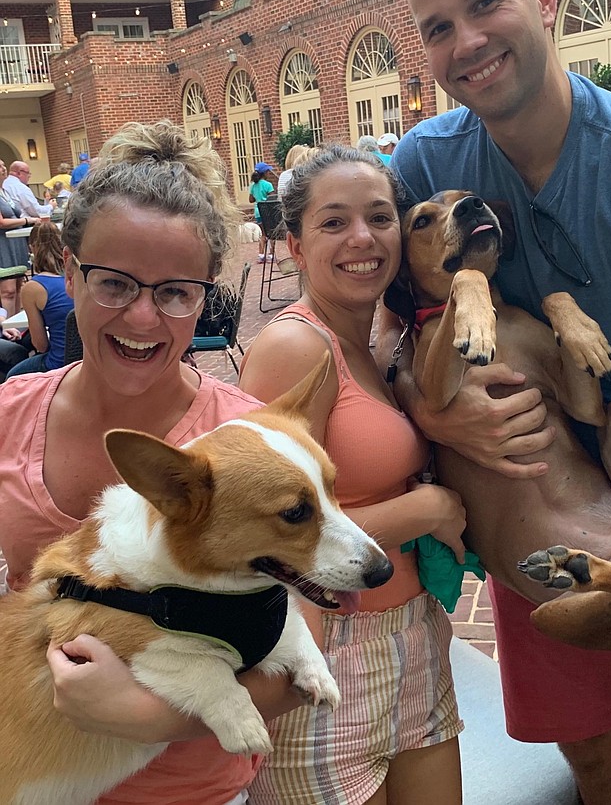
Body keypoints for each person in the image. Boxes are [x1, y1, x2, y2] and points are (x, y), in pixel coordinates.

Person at [383, 0, 611, 803]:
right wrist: (427, 407)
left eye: (484, 4)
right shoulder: (427, 165)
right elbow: (386, 330)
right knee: (588, 744)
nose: (466, 42)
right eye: (438, 27)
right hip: (535, 482)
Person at [0, 120, 308, 805]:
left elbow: (299, 659)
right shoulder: (11, 411)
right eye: (115, 283)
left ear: (202, 296)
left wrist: (145, 714)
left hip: (190, 790)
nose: (142, 318)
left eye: (174, 292)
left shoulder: (241, 438)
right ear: (70, 274)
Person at [239, 145, 466, 805]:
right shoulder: (295, 347)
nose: (362, 237)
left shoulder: (380, 341)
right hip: (325, 653)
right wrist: (427, 511)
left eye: (379, 217)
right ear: (294, 245)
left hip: (415, 634)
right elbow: (264, 540)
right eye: (334, 222)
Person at [5, 222, 74, 378]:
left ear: (32, 248)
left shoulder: (33, 288)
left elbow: (41, 345)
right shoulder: (77, 277)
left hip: (58, 363)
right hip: (86, 360)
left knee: (13, 378)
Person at [0, 159, 40, 317]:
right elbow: (1, 222)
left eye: (4, 165)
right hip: (4, 246)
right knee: (8, 290)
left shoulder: (5, 192)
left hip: (16, 244)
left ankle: (17, 326)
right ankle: (7, 327)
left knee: (18, 287)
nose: (3, 169)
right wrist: (27, 220)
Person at [249, 161, 275, 263]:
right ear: (264, 173)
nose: (269, 174)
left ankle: (261, 255)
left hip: (258, 212)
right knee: (272, 233)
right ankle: (271, 255)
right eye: (268, 172)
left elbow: (251, 200)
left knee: (263, 234)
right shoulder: (268, 185)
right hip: (267, 212)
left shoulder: (253, 186)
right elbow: (272, 198)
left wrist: (258, 197)